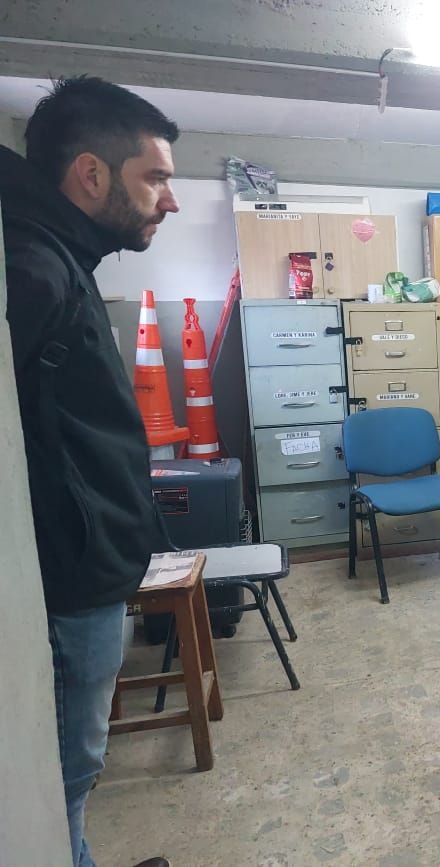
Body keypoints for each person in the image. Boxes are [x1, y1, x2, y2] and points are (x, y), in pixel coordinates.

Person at [1, 76, 181, 867]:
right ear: (91, 173)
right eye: (156, 177)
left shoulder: (58, 254)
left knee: (72, 771)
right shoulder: (33, 268)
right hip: (66, 582)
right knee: (64, 772)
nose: (170, 200)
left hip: (84, 566)